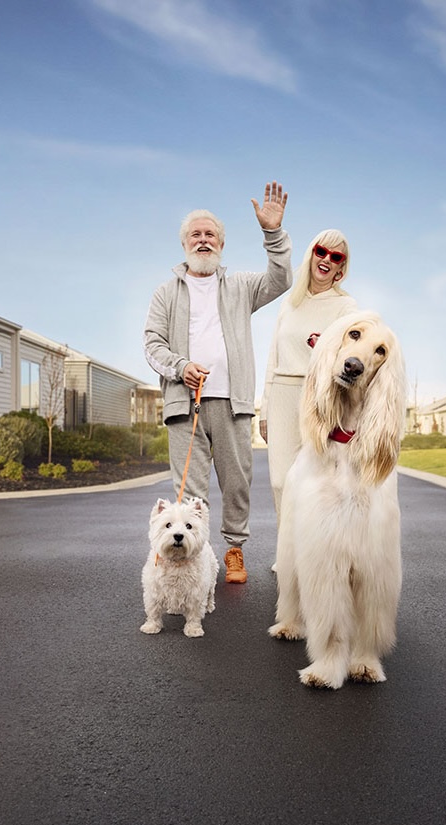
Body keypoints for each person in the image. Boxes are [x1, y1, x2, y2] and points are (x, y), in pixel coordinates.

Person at [144, 182, 292, 584]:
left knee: (237, 484)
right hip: (184, 404)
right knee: (189, 493)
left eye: (211, 235)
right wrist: (179, 366)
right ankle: (192, 558)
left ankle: (233, 550)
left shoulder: (241, 286)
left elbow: (281, 280)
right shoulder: (165, 292)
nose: (203, 240)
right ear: (184, 244)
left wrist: (273, 233)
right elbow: (152, 343)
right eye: (196, 234)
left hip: (231, 403)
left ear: (222, 244)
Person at [259, 229, 358, 528]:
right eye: (321, 251)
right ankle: (287, 553)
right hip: (282, 393)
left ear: (341, 268)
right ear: (311, 254)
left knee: (317, 483)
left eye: (336, 256)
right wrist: (265, 409)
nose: (326, 259)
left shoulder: (346, 307)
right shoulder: (289, 303)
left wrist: (325, 348)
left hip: (321, 398)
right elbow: (272, 357)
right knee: (280, 481)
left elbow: (352, 352)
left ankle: (312, 553)